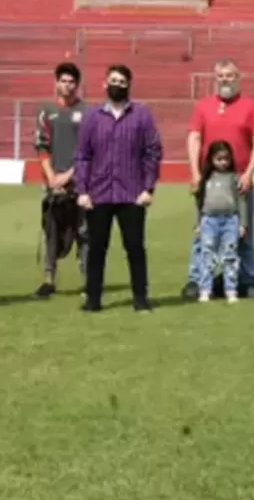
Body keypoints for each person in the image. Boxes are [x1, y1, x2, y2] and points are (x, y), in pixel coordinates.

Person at [76, 65, 162, 313]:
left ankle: (141, 298)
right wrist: (82, 190)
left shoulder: (142, 115)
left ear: (129, 85)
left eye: (122, 81)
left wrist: (149, 187)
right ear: (105, 84)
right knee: (96, 249)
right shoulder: (92, 117)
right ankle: (93, 300)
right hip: (98, 194)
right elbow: (82, 155)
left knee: (135, 247)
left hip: (132, 193)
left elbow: (153, 152)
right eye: (113, 80)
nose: (117, 85)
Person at [185, 59, 254, 300]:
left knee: (244, 231)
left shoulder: (250, 107)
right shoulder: (203, 106)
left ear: (238, 77)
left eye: (229, 75)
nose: (225, 80)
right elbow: (194, 137)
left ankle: (247, 279)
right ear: (215, 78)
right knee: (203, 232)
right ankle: (197, 279)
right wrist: (195, 173)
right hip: (209, 182)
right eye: (221, 76)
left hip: (238, 182)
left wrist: (250, 173)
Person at [34, 62, 88, 298]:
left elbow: (89, 150)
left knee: (84, 232)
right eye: (63, 81)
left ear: (77, 85)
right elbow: (41, 145)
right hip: (52, 183)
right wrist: (51, 176)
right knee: (51, 232)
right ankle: (48, 280)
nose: (67, 86)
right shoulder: (46, 111)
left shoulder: (88, 112)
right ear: (56, 83)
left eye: (71, 82)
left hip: (81, 182)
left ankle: (89, 279)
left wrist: (69, 175)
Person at [192, 141, 250, 304]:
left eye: (226, 159)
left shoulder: (234, 178)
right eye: (219, 159)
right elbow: (198, 203)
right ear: (211, 159)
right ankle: (205, 289)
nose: (223, 162)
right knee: (207, 254)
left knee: (230, 255)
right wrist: (197, 224)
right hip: (209, 220)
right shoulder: (205, 179)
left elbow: (242, 201)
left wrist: (243, 224)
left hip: (230, 221)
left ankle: (231, 289)